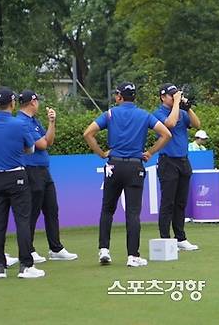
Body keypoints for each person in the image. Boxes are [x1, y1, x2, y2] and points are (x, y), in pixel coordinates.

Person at [83, 82, 172, 267]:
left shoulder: (110, 113)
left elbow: (88, 133)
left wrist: (101, 153)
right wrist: (150, 152)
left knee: (107, 209)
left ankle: (104, 250)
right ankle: (133, 256)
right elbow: (166, 134)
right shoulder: (144, 115)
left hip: (113, 166)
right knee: (133, 213)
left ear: (119, 96)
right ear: (135, 97)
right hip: (134, 166)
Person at [0, 87, 45, 279]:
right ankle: (25, 266)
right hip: (16, 176)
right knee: (23, 221)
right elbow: (31, 148)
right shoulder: (19, 124)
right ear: (12, 103)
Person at [17, 90, 78, 263]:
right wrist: (47, 135)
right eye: (37, 101)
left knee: (52, 209)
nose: (39, 105)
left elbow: (49, 141)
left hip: (44, 170)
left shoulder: (34, 121)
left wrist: (52, 122)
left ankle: (55, 248)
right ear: (32, 102)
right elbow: (42, 144)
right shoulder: (21, 122)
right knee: (32, 212)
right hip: (31, 170)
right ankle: (28, 250)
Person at [154, 83, 201, 251]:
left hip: (183, 160)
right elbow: (170, 124)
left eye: (176, 95)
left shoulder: (181, 111)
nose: (175, 98)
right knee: (168, 202)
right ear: (163, 97)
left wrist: (187, 108)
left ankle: (180, 238)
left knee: (181, 202)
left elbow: (197, 125)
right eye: (171, 95)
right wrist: (176, 104)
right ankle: (165, 239)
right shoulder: (158, 113)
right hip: (168, 162)